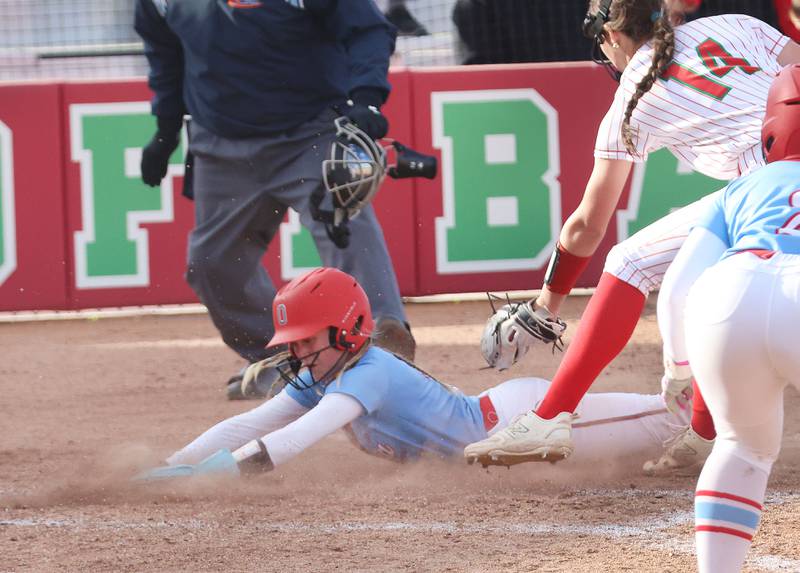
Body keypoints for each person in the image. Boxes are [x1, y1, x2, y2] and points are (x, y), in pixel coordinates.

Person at [466, 1, 800, 472]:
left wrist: (546, 304)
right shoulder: (734, 25)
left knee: (635, 265)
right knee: (682, 280)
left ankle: (555, 416)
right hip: (769, 182)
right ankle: (701, 429)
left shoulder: (634, 95)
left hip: (766, 190)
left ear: (611, 36)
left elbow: (587, 225)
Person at [135, 267, 691, 481]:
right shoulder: (323, 373)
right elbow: (251, 424)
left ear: (346, 331)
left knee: (669, 417)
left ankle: (718, 407)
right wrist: (175, 461)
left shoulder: (366, 373)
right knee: (661, 433)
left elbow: (293, 439)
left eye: (305, 339)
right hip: (499, 442)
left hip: (520, 421)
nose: (297, 352)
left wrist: (205, 477)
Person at [133, 0, 415, 401]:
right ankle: (284, 358)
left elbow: (368, 29)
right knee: (212, 263)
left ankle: (381, 346)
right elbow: (166, 53)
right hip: (220, 142)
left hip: (313, 128)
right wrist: (165, 130)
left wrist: (367, 99)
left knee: (344, 222)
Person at [657, 64, 800, 573]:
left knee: (742, 450)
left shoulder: (739, 188)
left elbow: (676, 288)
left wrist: (678, 369)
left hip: (726, 294)